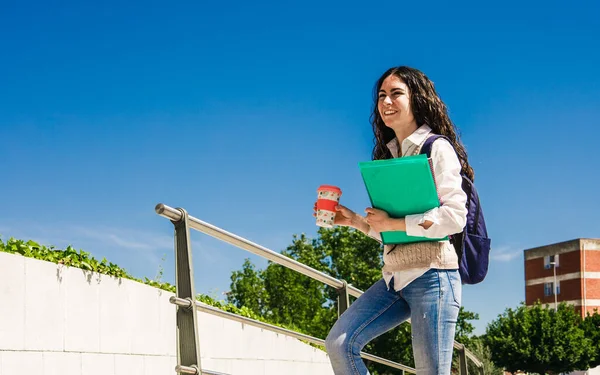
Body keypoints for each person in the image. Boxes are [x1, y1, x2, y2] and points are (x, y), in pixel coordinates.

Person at [316, 66, 473, 375]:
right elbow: (393, 234)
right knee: (339, 343)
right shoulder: (390, 157)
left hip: (434, 278)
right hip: (394, 280)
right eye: (381, 96)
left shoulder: (436, 148)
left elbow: (455, 217)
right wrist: (355, 222)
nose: (386, 101)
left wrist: (395, 224)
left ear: (417, 98)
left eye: (396, 93)